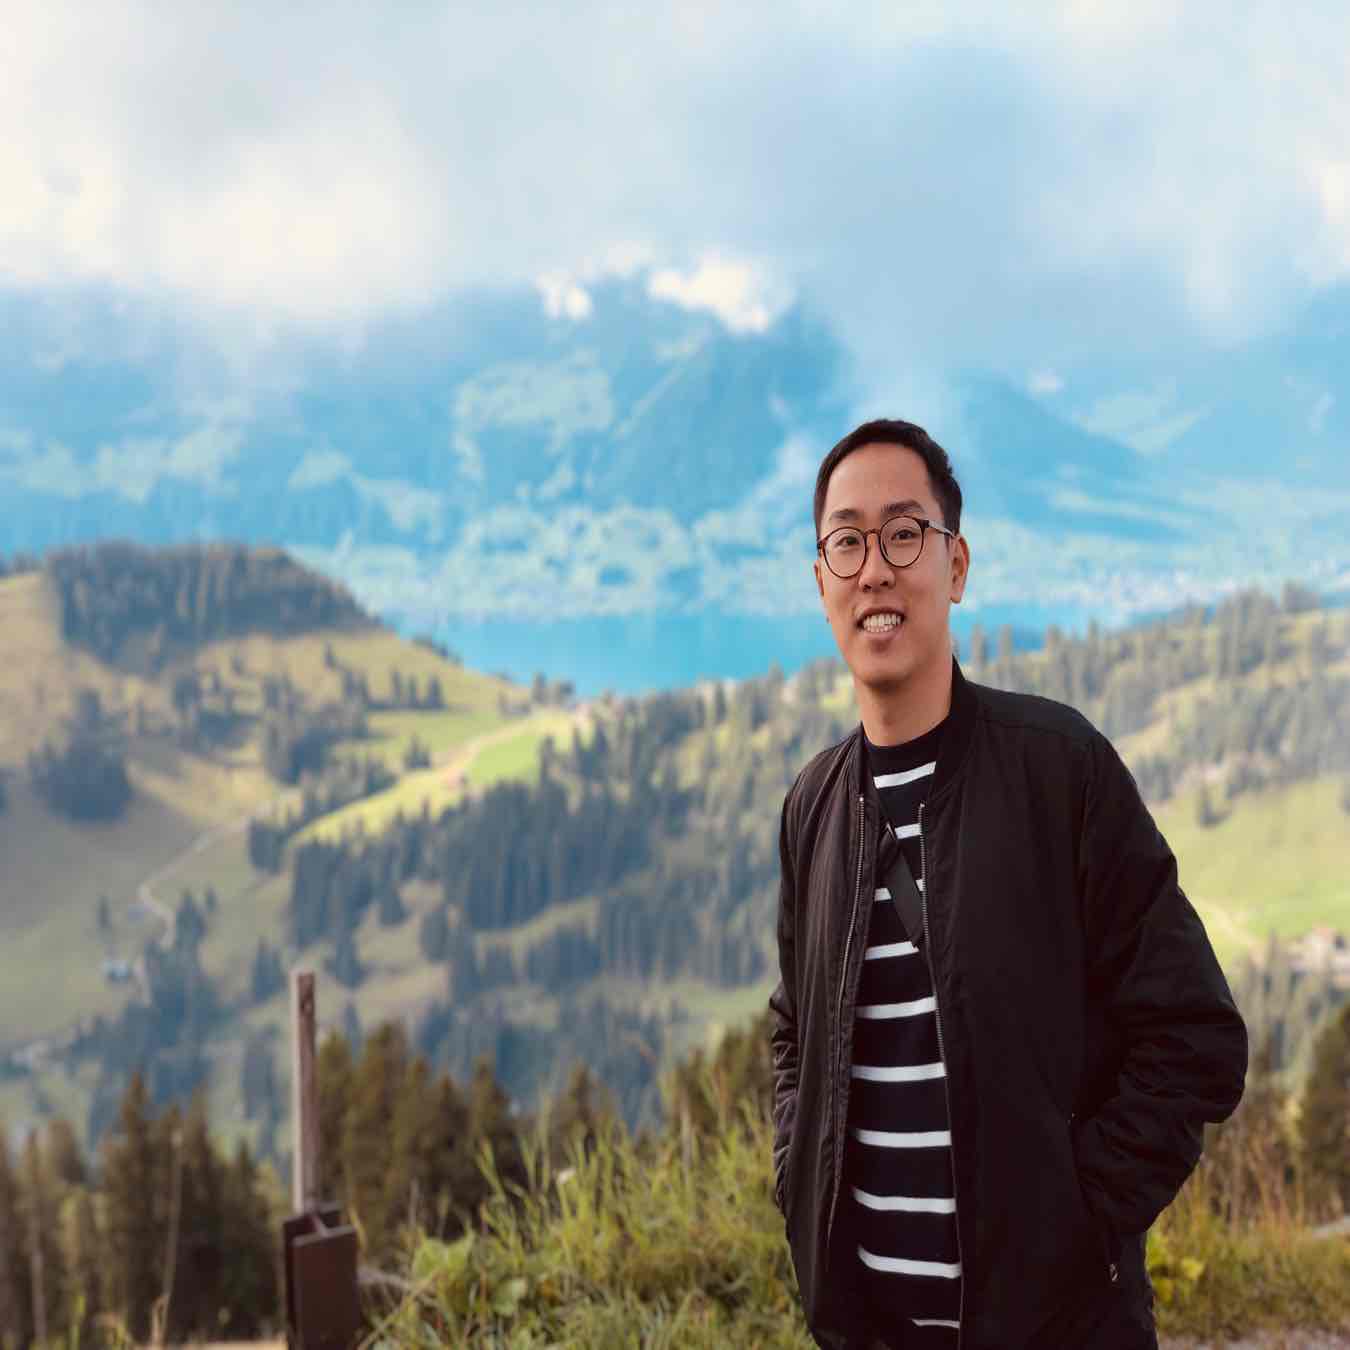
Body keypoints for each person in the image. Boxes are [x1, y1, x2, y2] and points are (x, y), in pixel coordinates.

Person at [768, 419, 1248, 1350]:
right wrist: (799, 1175)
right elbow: (795, 1030)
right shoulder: (813, 808)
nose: (875, 569)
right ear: (821, 580)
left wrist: (1080, 1220)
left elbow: (1195, 1034)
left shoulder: (1059, 771)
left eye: (904, 533)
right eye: (847, 541)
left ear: (955, 566)